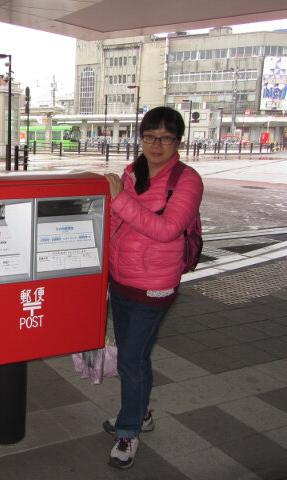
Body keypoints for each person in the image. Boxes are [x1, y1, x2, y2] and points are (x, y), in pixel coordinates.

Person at [103, 106, 203, 469]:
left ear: (178, 141)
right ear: (140, 137)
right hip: (121, 280)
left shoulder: (187, 180)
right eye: (149, 136)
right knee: (136, 354)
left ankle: (129, 432)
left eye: (166, 138)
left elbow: (167, 230)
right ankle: (140, 411)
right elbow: (115, 220)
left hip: (154, 287)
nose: (156, 144)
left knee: (131, 357)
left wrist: (120, 199)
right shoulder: (133, 172)